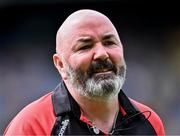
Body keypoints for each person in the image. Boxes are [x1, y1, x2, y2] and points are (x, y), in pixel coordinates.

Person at [4, 9, 165, 135]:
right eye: (85, 46)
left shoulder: (150, 122)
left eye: (109, 42)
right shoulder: (31, 126)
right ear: (60, 64)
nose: (102, 53)